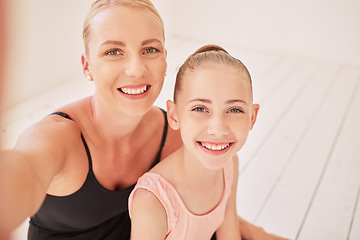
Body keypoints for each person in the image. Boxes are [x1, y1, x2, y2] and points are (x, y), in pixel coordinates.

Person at [0, 0, 288, 239]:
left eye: (150, 49)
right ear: (87, 66)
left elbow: (210, 207)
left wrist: (258, 233)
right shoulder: (56, 137)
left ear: (165, 60)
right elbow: (21, 174)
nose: (136, 69)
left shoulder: (178, 134)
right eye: (114, 51)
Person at [129, 44, 259, 239]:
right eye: (200, 109)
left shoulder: (229, 164)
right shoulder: (152, 200)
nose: (218, 128)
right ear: (174, 116)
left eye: (234, 110)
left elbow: (229, 233)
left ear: (252, 117)